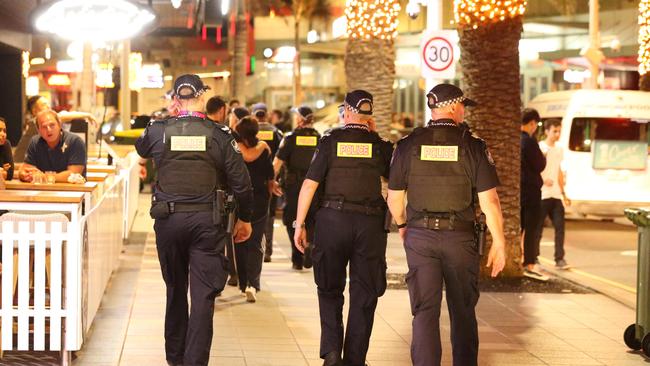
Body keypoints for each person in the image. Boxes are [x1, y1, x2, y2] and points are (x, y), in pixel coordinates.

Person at [135, 74, 254, 366]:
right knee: (202, 297)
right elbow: (242, 184)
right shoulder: (220, 134)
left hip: (169, 221)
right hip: (207, 223)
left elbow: (141, 149)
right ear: (202, 96)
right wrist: (246, 219)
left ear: (175, 98)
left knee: (175, 290)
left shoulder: (158, 130)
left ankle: (175, 359)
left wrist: (168, 117)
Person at [386, 83, 506, 366]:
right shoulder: (473, 146)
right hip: (459, 239)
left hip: (420, 237)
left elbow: (393, 199)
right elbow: (490, 201)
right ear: (453, 107)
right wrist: (499, 242)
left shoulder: (408, 145)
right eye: (463, 105)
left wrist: (403, 226)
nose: (464, 111)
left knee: (425, 311)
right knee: (463, 311)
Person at [293, 90, 393, 366]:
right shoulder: (381, 144)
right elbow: (395, 184)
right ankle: (355, 358)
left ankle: (332, 352)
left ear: (346, 112)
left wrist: (299, 224)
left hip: (332, 222)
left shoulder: (330, 141)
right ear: (368, 115)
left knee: (329, 287)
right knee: (365, 291)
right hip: (370, 225)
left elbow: (310, 184)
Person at [233, 116, 279, 302]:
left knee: (239, 241)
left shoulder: (235, 149)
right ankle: (254, 282)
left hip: (238, 200)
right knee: (255, 243)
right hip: (259, 201)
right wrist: (270, 193)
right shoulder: (263, 149)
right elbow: (270, 176)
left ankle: (244, 284)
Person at [273, 106, 321, 270]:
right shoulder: (320, 138)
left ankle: (297, 258)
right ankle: (311, 244)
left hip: (294, 187)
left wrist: (272, 181)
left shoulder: (291, 138)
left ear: (300, 119)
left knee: (292, 220)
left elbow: (277, 164)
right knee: (312, 219)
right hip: (315, 187)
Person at [14, 95, 97, 162]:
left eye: (48, 103)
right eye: (44, 105)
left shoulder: (39, 122)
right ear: (35, 111)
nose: (48, 106)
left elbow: (62, 115)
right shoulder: (36, 121)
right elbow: (61, 116)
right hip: (19, 166)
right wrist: (87, 115)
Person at [251, 102, 284, 263]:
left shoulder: (249, 131)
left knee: (253, 215)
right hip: (271, 178)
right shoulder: (276, 132)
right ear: (267, 114)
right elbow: (282, 157)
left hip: (253, 180)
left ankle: (255, 247)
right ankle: (268, 251)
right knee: (269, 215)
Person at [18, 110, 87, 183]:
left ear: (59, 125)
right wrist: (24, 175)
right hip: (43, 191)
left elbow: (74, 175)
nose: (49, 130)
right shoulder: (35, 142)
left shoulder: (75, 141)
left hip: (74, 192)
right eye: (44, 127)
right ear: (38, 130)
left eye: (52, 125)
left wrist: (45, 176)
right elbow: (26, 169)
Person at [539, 118, 571, 270]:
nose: (557, 134)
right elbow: (534, 169)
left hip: (556, 195)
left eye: (559, 131)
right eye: (554, 131)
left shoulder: (559, 149)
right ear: (546, 131)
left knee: (560, 227)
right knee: (538, 228)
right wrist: (543, 180)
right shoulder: (540, 147)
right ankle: (534, 257)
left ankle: (560, 258)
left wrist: (564, 192)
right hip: (543, 194)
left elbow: (558, 170)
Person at [520, 108, 548, 281]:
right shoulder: (529, 142)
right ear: (531, 123)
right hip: (530, 191)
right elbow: (540, 164)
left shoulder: (515, 139)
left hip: (519, 191)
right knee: (531, 228)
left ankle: (521, 258)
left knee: (521, 226)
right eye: (535, 124)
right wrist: (543, 156)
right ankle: (529, 262)